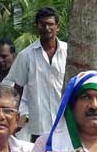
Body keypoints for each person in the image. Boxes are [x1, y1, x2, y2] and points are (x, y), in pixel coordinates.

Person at [4, 7, 67, 141]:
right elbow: (18, 89)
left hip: (67, 123)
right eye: (42, 24)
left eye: (50, 24)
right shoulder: (26, 55)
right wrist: (14, 114)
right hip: (40, 126)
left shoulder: (69, 53)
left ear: (58, 27)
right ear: (37, 27)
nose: (46, 28)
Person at [0, 39, 31, 141]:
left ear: (14, 56)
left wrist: (15, 126)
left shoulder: (26, 79)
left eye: (4, 56)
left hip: (21, 134)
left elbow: (29, 107)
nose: (0, 60)